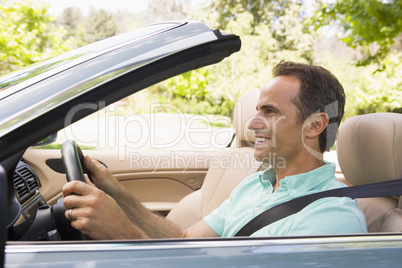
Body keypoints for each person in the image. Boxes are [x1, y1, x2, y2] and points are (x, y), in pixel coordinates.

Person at [62, 61, 367, 240]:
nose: (252, 123)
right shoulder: (255, 185)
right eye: (257, 110)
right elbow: (185, 240)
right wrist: (117, 194)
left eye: (270, 112)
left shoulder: (333, 220)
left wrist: (122, 233)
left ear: (315, 125)